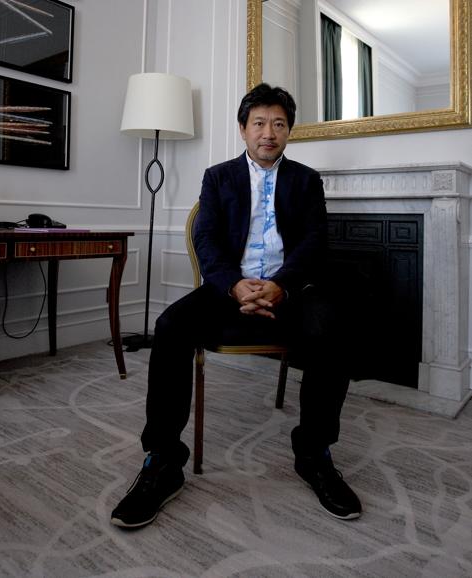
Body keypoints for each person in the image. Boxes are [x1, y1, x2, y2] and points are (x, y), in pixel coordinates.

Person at [111, 83, 361, 528]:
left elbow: (314, 243)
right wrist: (234, 286)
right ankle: (163, 461)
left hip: (290, 290)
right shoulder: (218, 177)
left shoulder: (306, 180)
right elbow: (205, 239)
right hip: (228, 289)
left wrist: (280, 286)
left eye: (279, 124)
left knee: (333, 326)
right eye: (259, 123)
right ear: (243, 129)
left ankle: (314, 453)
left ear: (289, 131)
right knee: (170, 325)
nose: (269, 133)